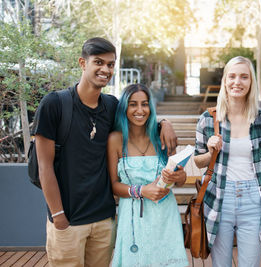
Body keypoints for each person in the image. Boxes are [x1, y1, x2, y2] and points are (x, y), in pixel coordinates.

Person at [34, 37, 177, 267]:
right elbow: (44, 166)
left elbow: (139, 117)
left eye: (110, 64)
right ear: (83, 63)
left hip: (103, 221)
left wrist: (164, 123)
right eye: (98, 62)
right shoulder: (55, 104)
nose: (105, 69)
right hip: (68, 220)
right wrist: (58, 216)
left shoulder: (111, 106)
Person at [194, 56, 261, 267]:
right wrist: (211, 150)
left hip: (254, 199)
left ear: (251, 82)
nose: (237, 82)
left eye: (244, 77)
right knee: (220, 264)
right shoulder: (209, 119)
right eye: (232, 76)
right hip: (220, 197)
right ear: (224, 81)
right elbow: (198, 161)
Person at [107, 83, 188, 267]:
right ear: (124, 107)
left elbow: (181, 179)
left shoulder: (161, 135)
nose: (140, 110)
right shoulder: (115, 139)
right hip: (133, 218)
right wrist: (141, 190)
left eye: (144, 104)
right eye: (133, 104)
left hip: (165, 216)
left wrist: (178, 177)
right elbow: (113, 185)